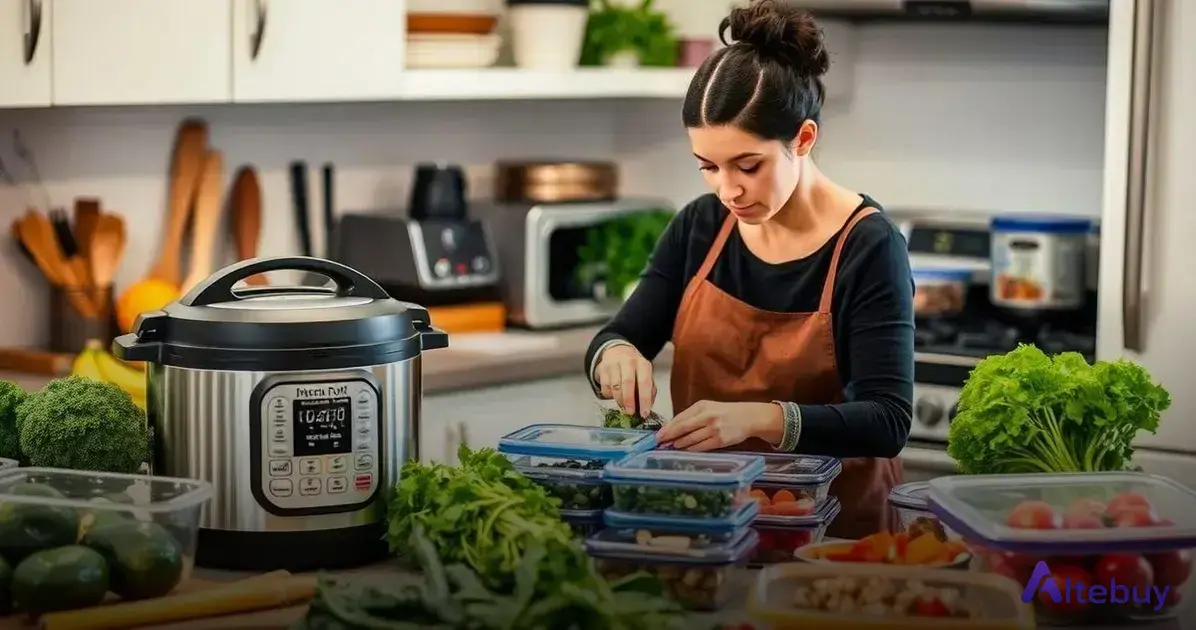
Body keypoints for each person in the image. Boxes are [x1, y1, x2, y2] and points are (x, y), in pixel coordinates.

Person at [583, 0, 914, 539]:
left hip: (830, 532)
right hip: (706, 519)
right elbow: (619, 334)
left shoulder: (868, 246)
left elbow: (887, 421)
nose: (728, 189)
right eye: (708, 167)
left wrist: (761, 419)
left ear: (803, 140)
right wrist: (614, 356)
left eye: (748, 165)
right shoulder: (700, 226)